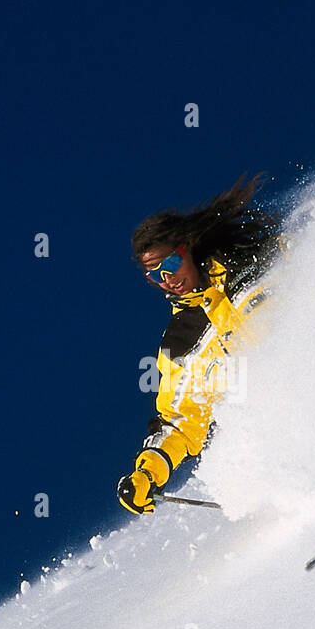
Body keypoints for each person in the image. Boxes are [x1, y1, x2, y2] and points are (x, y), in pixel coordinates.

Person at [117, 172, 285, 515]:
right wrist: (146, 474)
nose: (167, 280)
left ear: (186, 248)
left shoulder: (246, 257)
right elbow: (181, 420)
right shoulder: (179, 345)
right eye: (154, 275)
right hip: (292, 417)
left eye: (171, 264)